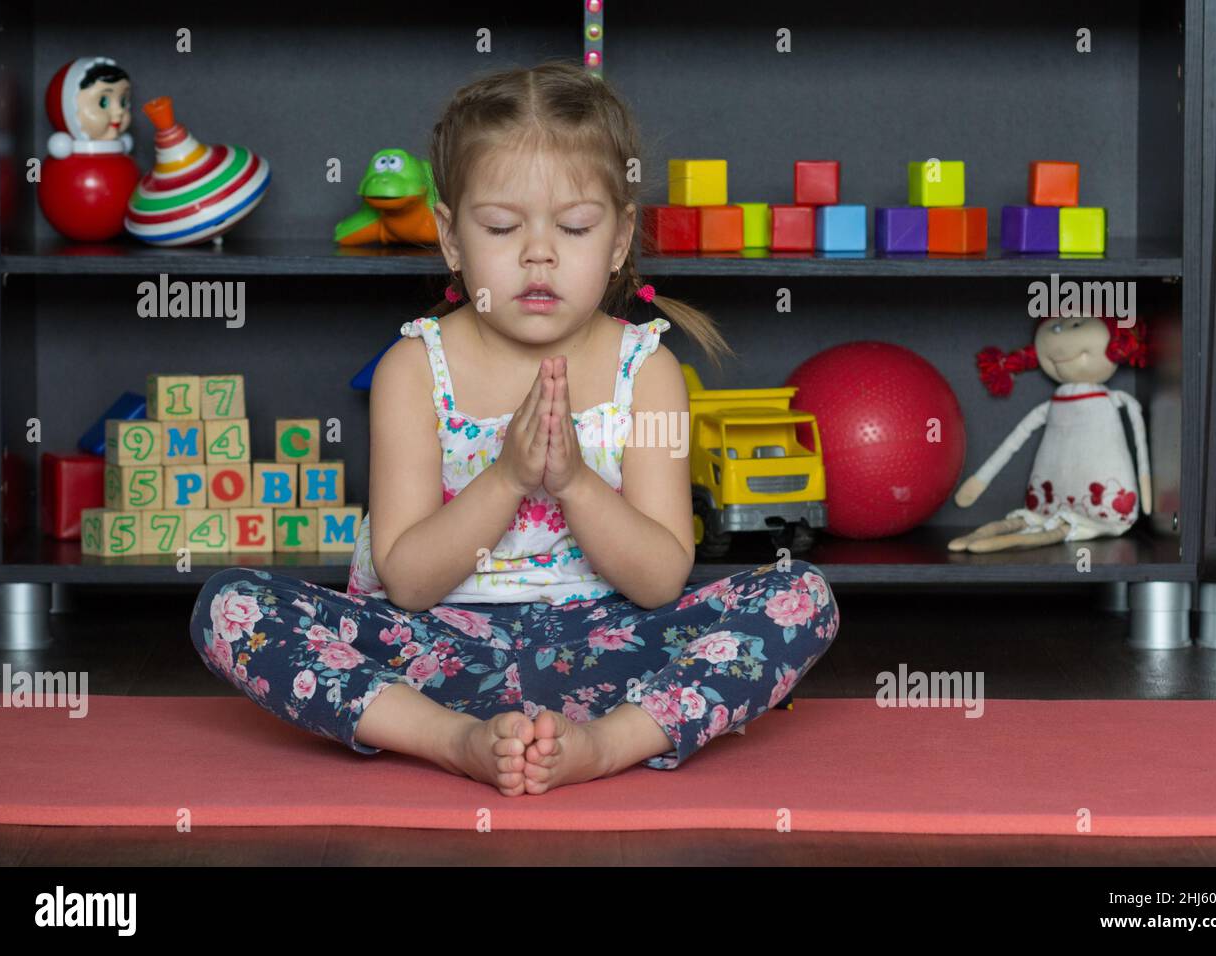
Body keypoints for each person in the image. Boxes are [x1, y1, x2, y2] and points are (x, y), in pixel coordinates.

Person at [189, 60, 840, 797]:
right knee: (231, 606)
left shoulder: (649, 373)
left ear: (620, 238)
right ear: (451, 238)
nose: (539, 252)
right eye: (501, 226)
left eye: (574, 226)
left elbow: (662, 581)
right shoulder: (413, 368)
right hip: (439, 656)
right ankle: (454, 742)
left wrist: (575, 484)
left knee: (801, 597)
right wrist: (505, 478)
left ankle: (605, 745)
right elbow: (407, 582)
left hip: (610, 651)